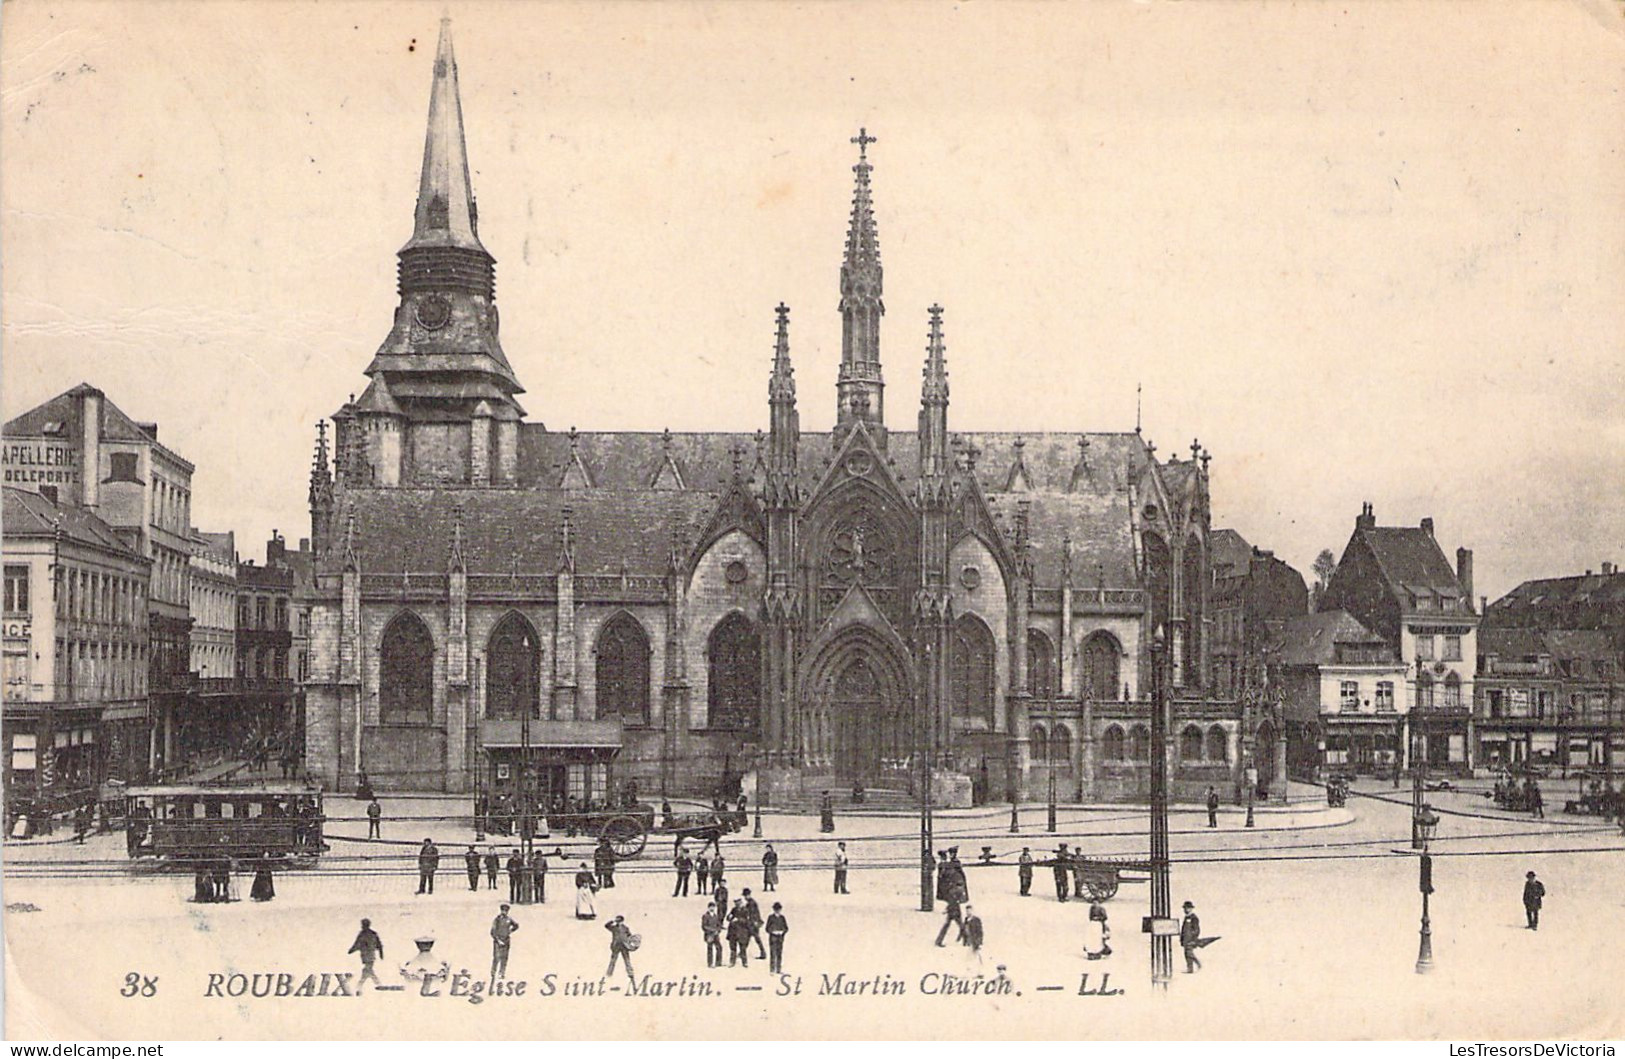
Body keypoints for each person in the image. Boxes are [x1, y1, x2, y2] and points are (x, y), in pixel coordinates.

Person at [348, 918, 384, 989]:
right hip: (370, 955)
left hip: (366, 955)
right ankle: (377, 984)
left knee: (367, 970)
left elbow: (357, 944)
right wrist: (381, 954)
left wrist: (351, 950)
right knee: (367, 970)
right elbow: (379, 945)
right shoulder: (373, 934)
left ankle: (361, 985)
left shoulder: (362, 934)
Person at [491, 904, 520, 980]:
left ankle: (502, 973)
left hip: (506, 940)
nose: (504, 912)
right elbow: (493, 931)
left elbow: (516, 925)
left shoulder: (509, 919)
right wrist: (498, 940)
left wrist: (510, 931)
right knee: (497, 957)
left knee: (504, 958)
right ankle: (493, 972)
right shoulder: (497, 919)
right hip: (498, 941)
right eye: (503, 910)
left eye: (506, 911)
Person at [604, 915, 637, 983]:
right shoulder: (614, 927)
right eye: (616, 920)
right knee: (613, 960)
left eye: (618, 920)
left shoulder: (625, 928)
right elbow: (606, 926)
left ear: (621, 920)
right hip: (616, 945)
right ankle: (609, 973)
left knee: (627, 960)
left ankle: (630, 973)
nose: (617, 921)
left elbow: (630, 936)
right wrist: (612, 921)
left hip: (624, 946)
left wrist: (630, 943)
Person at [742, 887, 767, 959]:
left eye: (745, 896)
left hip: (753, 924)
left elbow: (753, 914)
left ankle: (763, 953)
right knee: (748, 938)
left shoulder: (751, 903)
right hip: (753, 923)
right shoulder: (751, 902)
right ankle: (742, 952)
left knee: (755, 938)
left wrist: (754, 922)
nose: (745, 897)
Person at [726, 899, 751, 967]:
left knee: (742, 948)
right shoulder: (733, 909)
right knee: (732, 948)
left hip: (742, 932)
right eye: (736, 903)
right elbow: (728, 918)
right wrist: (729, 917)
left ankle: (744, 962)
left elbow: (747, 921)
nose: (737, 904)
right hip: (733, 931)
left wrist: (738, 920)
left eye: (738, 903)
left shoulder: (745, 910)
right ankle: (732, 962)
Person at [766, 901, 789, 973]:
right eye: (776, 910)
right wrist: (773, 931)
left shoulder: (782, 918)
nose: (778, 911)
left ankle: (778, 969)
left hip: (780, 938)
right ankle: (772, 969)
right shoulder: (770, 917)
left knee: (779, 954)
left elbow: (786, 928)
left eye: (779, 909)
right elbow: (767, 928)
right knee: (773, 953)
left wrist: (782, 932)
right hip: (773, 938)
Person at [1180, 901, 1202, 973]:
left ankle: (1198, 964)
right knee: (1186, 954)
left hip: (1190, 939)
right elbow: (1183, 929)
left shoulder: (1194, 918)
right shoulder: (1186, 918)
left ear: (1191, 909)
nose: (1185, 910)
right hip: (1185, 940)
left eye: (1187, 908)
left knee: (1189, 953)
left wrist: (1193, 938)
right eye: (1185, 908)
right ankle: (1190, 969)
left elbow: (1196, 929)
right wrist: (1182, 939)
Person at [701, 902, 724, 968]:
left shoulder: (716, 916)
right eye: (711, 907)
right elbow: (704, 926)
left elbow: (719, 925)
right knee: (710, 949)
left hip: (716, 935)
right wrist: (712, 930)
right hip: (709, 935)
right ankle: (710, 963)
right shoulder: (705, 916)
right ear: (708, 908)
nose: (712, 908)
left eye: (713, 907)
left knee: (719, 947)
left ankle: (718, 962)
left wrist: (718, 930)